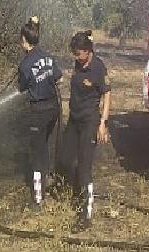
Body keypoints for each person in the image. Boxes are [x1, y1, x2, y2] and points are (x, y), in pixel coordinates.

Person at [59, 30, 111, 230]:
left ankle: (86, 214)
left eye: (79, 53)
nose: (77, 57)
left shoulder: (98, 68)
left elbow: (107, 94)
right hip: (74, 119)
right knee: (64, 159)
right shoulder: (78, 63)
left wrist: (103, 122)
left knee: (84, 166)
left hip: (90, 121)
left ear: (88, 52)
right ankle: (76, 189)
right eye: (75, 53)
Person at [17, 16, 62, 210]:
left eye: (21, 40)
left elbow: (22, 88)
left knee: (37, 153)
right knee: (45, 147)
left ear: (25, 41)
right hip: (54, 109)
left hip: (39, 112)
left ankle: (37, 198)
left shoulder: (25, 65)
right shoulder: (48, 57)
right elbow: (58, 78)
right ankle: (47, 180)